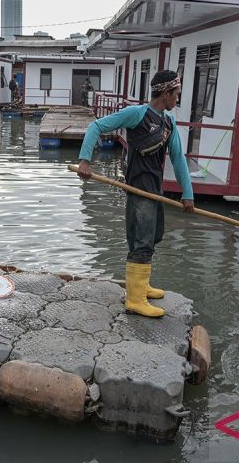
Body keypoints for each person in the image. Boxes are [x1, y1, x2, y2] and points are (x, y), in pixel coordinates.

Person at [77, 70, 194, 318]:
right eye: (177, 94)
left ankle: (143, 285)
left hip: (155, 190)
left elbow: (178, 159)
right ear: (165, 93)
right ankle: (135, 299)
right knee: (140, 241)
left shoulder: (168, 123)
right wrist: (85, 160)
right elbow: (96, 126)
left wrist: (188, 194)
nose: (177, 100)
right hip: (138, 189)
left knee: (152, 236)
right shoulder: (137, 114)